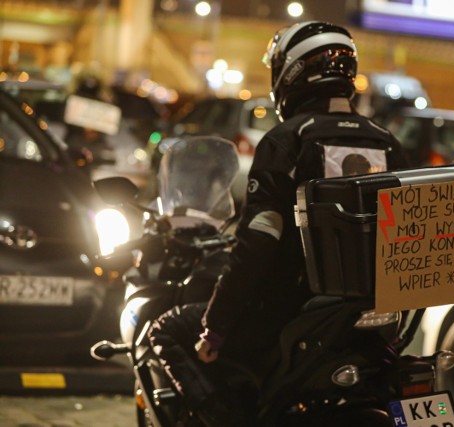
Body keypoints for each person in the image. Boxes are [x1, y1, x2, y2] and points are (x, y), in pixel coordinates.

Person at [148, 20, 408, 427]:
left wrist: (215, 327)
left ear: (291, 73)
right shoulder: (386, 141)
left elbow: (257, 243)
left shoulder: (288, 140)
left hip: (287, 311)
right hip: (373, 317)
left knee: (165, 329)